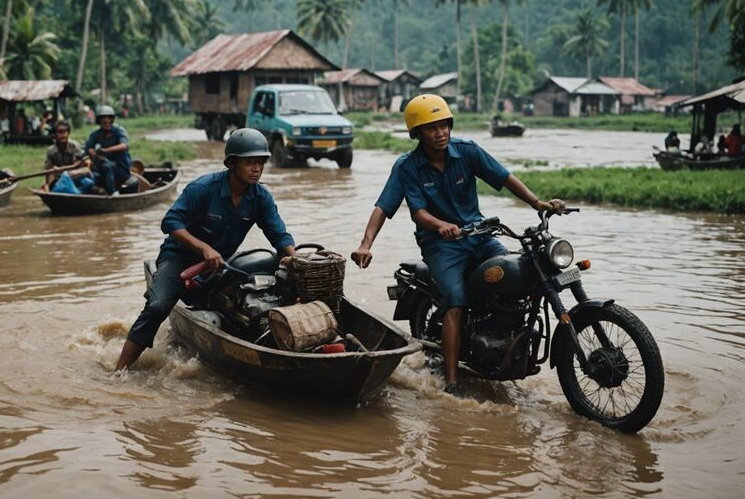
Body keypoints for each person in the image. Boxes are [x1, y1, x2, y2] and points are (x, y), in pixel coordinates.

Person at [350, 94, 564, 397]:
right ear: (418, 133)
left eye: (444, 125)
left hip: (480, 236)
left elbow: (504, 177)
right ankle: (451, 384)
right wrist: (366, 244)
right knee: (456, 298)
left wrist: (537, 202)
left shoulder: (467, 151)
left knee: (514, 275)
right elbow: (396, 208)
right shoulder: (408, 167)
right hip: (441, 245)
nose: (440, 133)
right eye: (431, 128)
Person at [114, 128, 297, 371]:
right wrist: (204, 248)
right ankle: (120, 370)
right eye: (250, 162)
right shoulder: (203, 188)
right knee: (158, 307)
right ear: (232, 163)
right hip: (179, 259)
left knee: (272, 271)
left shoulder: (260, 196)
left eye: (261, 162)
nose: (257, 168)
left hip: (220, 264)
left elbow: (279, 234)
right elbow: (170, 222)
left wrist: (295, 259)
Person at [84, 105, 132, 195]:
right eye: (104, 122)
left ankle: (113, 193)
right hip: (102, 166)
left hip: (121, 168)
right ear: (99, 122)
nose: (107, 123)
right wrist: (92, 152)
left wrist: (106, 150)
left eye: (109, 121)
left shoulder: (119, 130)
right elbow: (88, 147)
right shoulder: (96, 134)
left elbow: (124, 145)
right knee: (91, 175)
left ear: (112, 120)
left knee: (107, 166)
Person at [40, 120, 89, 191]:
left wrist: (60, 169)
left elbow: (77, 165)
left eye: (65, 132)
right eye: (60, 132)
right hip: (59, 177)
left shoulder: (74, 146)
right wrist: (47, 184)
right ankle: (52, 189)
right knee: (51, 175)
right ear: (55, 135)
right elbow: (49, 170)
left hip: (74, 175)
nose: (64, 135)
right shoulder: (51, 150)